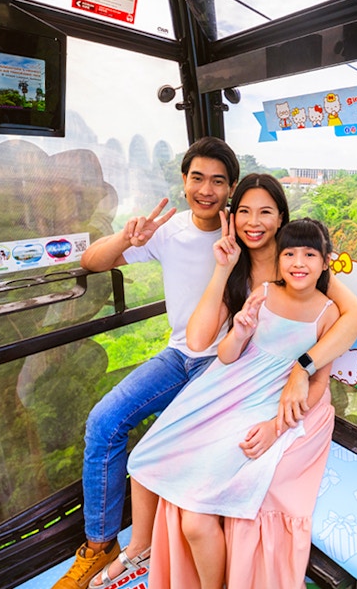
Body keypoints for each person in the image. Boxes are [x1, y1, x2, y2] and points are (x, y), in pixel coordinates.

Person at [56, 157, 357, 589]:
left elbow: (353, 318)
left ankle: (165, 544)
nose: (253, 223)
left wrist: (303, 366)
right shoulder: (235, 263)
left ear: (281, 218)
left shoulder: (298, 265)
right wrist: (223, 268)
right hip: (224, 363)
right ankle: (135, 548)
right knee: (125, 434)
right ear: (231, 214)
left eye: (265, 212)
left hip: (256, 381)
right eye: (245, 212)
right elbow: (200, 339)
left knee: (190, 456)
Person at [127, 218, 340, 589]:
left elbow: (319, 381)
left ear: (325, 262)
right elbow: (227, 356)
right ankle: (141, 548)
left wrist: (276, 427)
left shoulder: (328, 314)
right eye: (289, 253)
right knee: (149, 456)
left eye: (309, 255)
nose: (298, 262)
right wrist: (240, 332)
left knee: (196, 519)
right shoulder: (264, 293)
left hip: (269, 404)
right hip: (230, 391)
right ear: (279, 259)